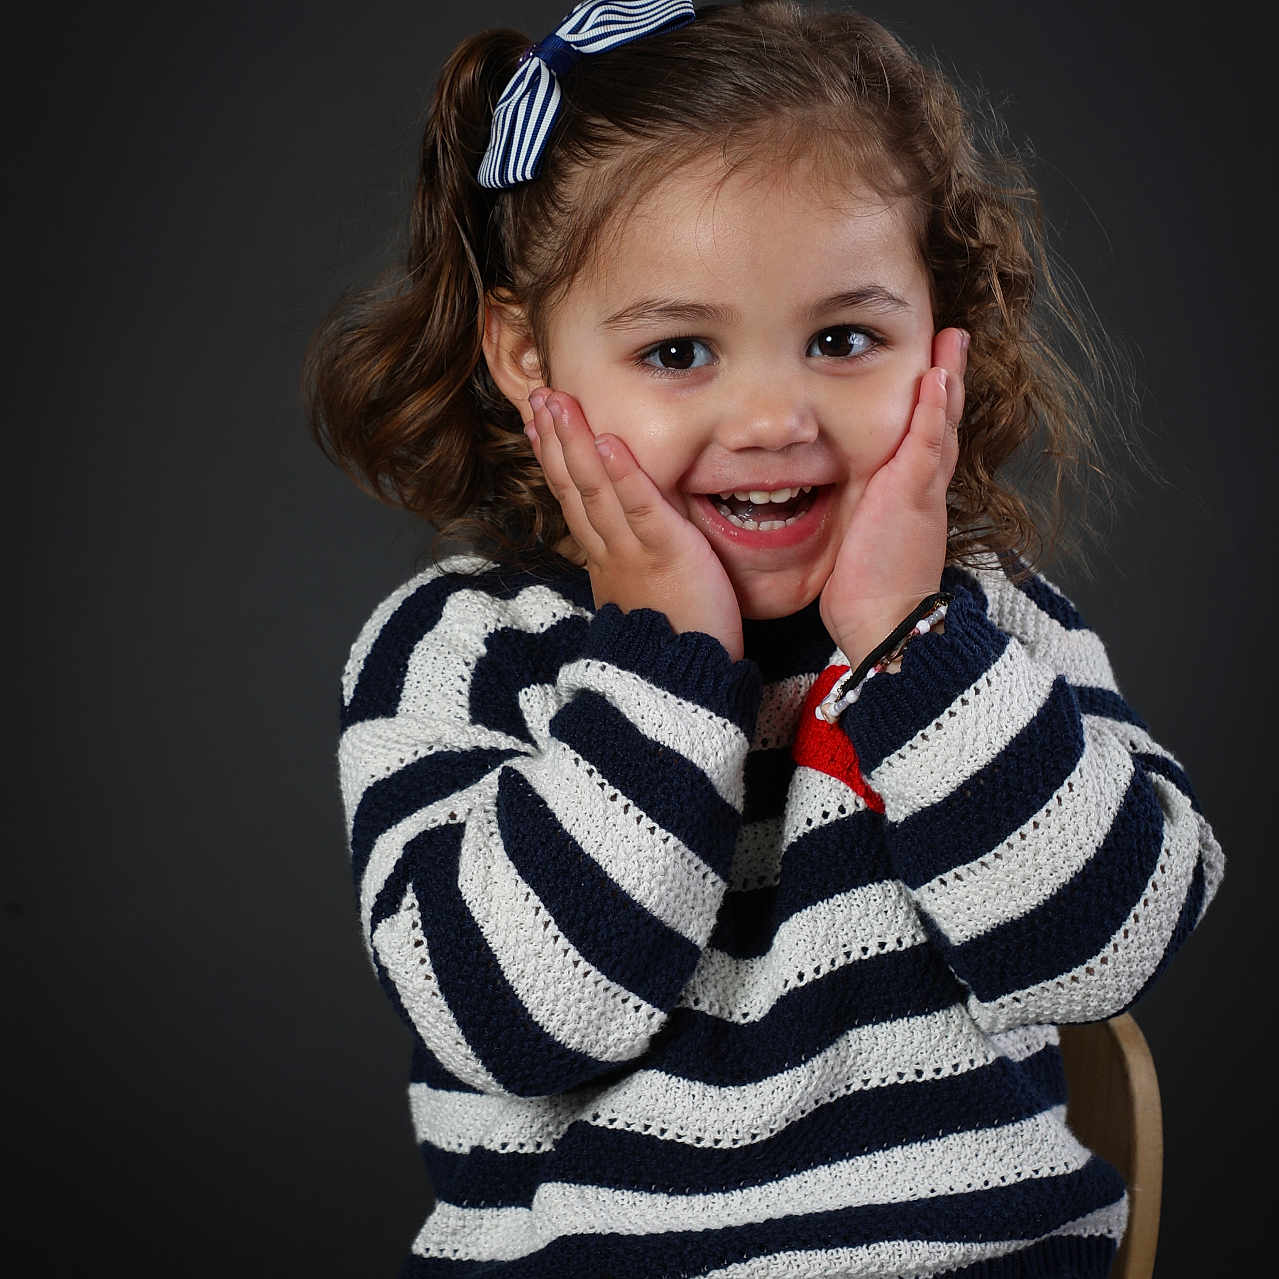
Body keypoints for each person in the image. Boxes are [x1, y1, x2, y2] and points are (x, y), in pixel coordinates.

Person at [305, 2, 1224, 1275]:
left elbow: (1104, 951)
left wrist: (904, 641)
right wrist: (665, 663)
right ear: (528, 358)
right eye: (679, 350)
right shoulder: (462, 653)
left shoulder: (977, 626)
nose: (772, 417)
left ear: (940, 332)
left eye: (843, 340)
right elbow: (515, 1025)